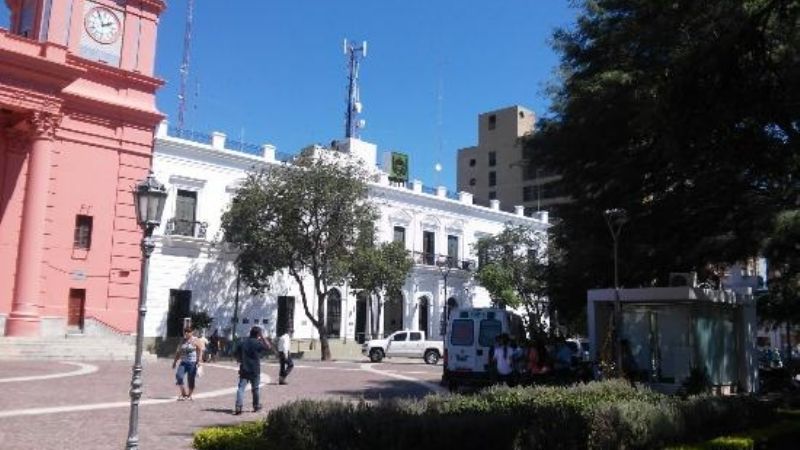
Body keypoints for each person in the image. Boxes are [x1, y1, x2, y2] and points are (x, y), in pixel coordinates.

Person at [234, 326, 272, 415]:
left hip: (244, 368)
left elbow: (236, 353)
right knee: (255, 389)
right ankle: (256, 406)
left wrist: (239, 359)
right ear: (258, 334)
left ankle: (238, 406)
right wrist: (263, 337)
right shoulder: (257, 343)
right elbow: (268, 347)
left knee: (241, 388)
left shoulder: (243, 342)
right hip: (255, 369)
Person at [172, 327, 203, 401]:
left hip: (192, 362)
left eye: (188, 332)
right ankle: (183, 393)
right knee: (179, 376)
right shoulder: (182, 341)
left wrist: (199, 361)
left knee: (191, 379)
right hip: (183, 362)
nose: (186, 333)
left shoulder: (195, 340)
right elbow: (178, 352)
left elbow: (200, 350)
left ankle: (189, 395)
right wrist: (175, 362)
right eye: (185, 331)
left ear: (192, 332)